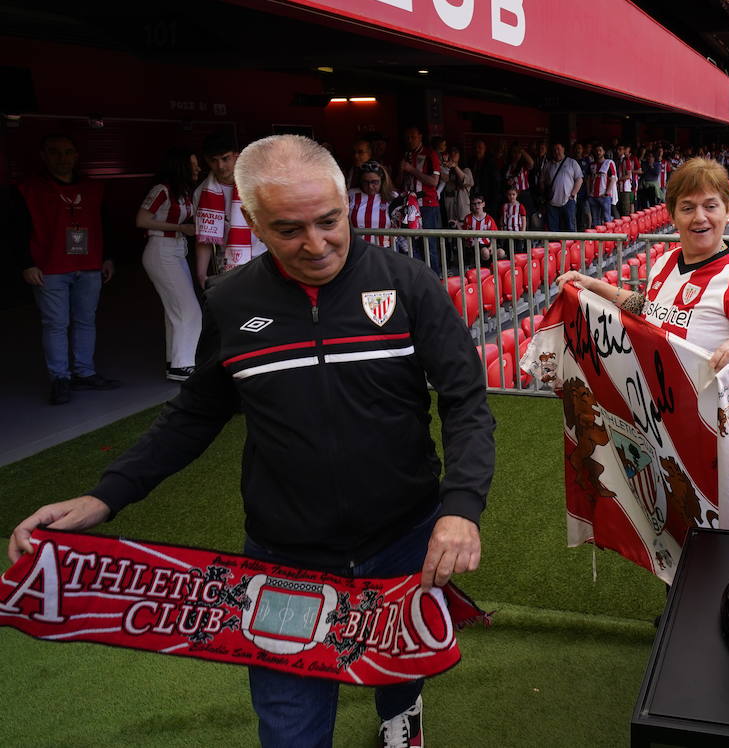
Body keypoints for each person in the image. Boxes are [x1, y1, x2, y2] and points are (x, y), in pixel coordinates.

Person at [8, 134, 496, 747]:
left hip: (405, 536)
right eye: (290, 229)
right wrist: (105, 496)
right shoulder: (232, 300)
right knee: (290, 727)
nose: (316, 245)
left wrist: (461, 509)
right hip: (284, 556)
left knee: (398, 663)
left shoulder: (409, 283)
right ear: (253, 222)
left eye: (329, 221)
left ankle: (400, 714)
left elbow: (466, 403)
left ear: (347, 205)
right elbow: (195, 413)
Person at [556, 157, 729, 486]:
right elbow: (648, 308)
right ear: (673, 215)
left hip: (725, 437)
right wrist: (593, 287)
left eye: (710, 206)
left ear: (728, 211)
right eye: (687, 207)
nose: (699, 217)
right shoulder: (665, 263)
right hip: (668, 430)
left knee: (719, 536)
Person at [13, 134, 120, 405]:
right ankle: (60, 378)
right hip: (50, 268)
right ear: (43, 156)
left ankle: (84, 372)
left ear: (76, 155)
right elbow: (15, 231)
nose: (62, 158)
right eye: (55, 152)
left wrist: (107, 257)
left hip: (89, 265)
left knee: (86, 320)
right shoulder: (29, 189)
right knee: (56, 324)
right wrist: (26, 263)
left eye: (68, 152)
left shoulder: (94, 188)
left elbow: (104, 223)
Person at [136, 147, 202, 381]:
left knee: (175, 310)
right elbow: (142, 220)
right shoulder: (162, 189)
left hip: (176, 250)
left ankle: (175, 361)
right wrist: (181, 228)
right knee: (189, 309)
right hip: (161, 251)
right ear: (180, 167)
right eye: (193, 165)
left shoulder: (183, 192)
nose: (198, 169)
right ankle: (183, 365)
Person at [194, 134, 266, 288]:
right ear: (207, 160)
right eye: (213, 160)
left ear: (236, 156)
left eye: (225, 158)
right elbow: (204, 238)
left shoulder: (258, 183)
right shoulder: (201, 193)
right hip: (229, 263)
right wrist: (201, 273)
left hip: (264, 257)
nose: (220, 166)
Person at [398, 126, 442, 275]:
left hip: (427, 205)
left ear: (420, 136)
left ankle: (435, 279)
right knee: (412, 244)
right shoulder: (406, 155)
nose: (409, 140)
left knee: (429, 244)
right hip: (409, 206)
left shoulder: (431, 154)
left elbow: (434, 181)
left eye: (413, 136)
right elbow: (400, 181)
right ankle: (420, 278)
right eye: (407, 137)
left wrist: (411, 170)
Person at [348, 160, 396, 248]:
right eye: (365, 182)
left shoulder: (393, 198)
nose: (370, 186)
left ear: (382, 179)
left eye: (374, 182)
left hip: (384, 250)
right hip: (358, 250)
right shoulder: (351, 195)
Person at [540, 141, 581, 232]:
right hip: (552, 203)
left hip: (568, 200)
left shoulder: (572, 162)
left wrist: (573, 194)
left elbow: (579, 179)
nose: (556, 151)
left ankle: (571, 246)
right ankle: (555, 246)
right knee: (553, 230)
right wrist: (545, 193)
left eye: (558, 149)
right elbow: (541, 180)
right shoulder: (548, 165)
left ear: (563, 149)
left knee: (570, 227)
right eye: (554, 150)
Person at [461, 194, 500, 266]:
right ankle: (485, 270)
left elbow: (494, 236)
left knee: (501, 252)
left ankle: (493, 270)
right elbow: (464, 234)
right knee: (485, 252)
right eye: (474, 204)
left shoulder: (489, 219)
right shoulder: (468, 218)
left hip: (487, 244)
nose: (477, 206)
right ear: (471, 205)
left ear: (483, 204)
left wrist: (491, 246)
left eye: (479, 203)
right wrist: (457, 224)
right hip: (473, 245)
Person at [588, 145, 617, 227]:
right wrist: (589, 192)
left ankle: (609, 238)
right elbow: (588, 179)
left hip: (604, 196)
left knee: (607, 219)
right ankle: (597, 239)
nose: (598, 152)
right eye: (597, 150)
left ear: (604, 152)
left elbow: (613, 178)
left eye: (600, 150)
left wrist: (607, 193)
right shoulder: (592, 165)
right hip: (593, 196)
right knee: (595, 220)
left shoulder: (609, 163)